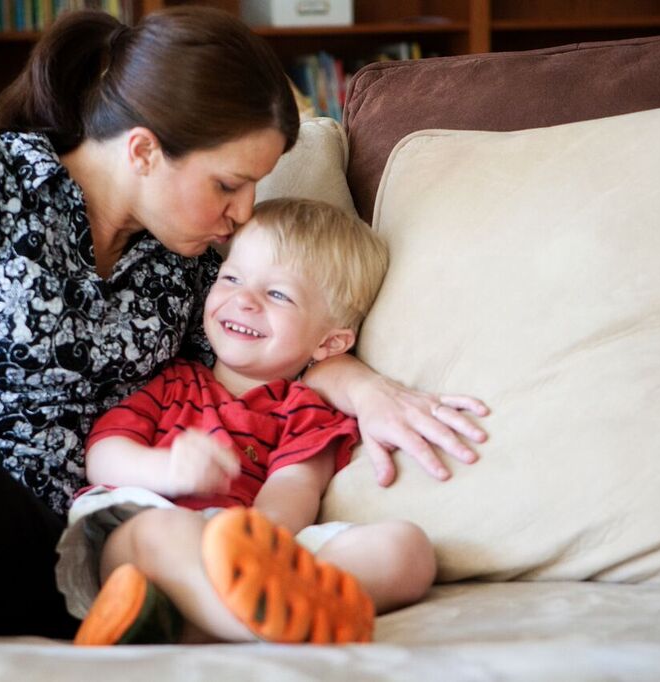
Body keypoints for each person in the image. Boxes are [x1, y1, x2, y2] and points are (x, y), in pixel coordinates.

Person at [0, 6, 487, 668]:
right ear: (143, 151)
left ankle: (244, 612)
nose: (241, 215)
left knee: (15, 519)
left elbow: (263, 357)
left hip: (51, 561)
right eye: (228, 185)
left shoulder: (190, 268)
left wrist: (372, 391)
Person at [61, 198, 439, 646]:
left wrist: (261, 540)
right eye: (232, 278)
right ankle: (258, 622)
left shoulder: (307, 409)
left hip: (263, 550)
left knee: (408, 548)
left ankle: (197, 622)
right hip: (155, 532)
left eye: (278, 294)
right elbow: (102, 455)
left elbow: (295, 487)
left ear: (329, 342)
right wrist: (165, 471)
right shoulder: (173, 381)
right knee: (156, 531)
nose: (244, 300)